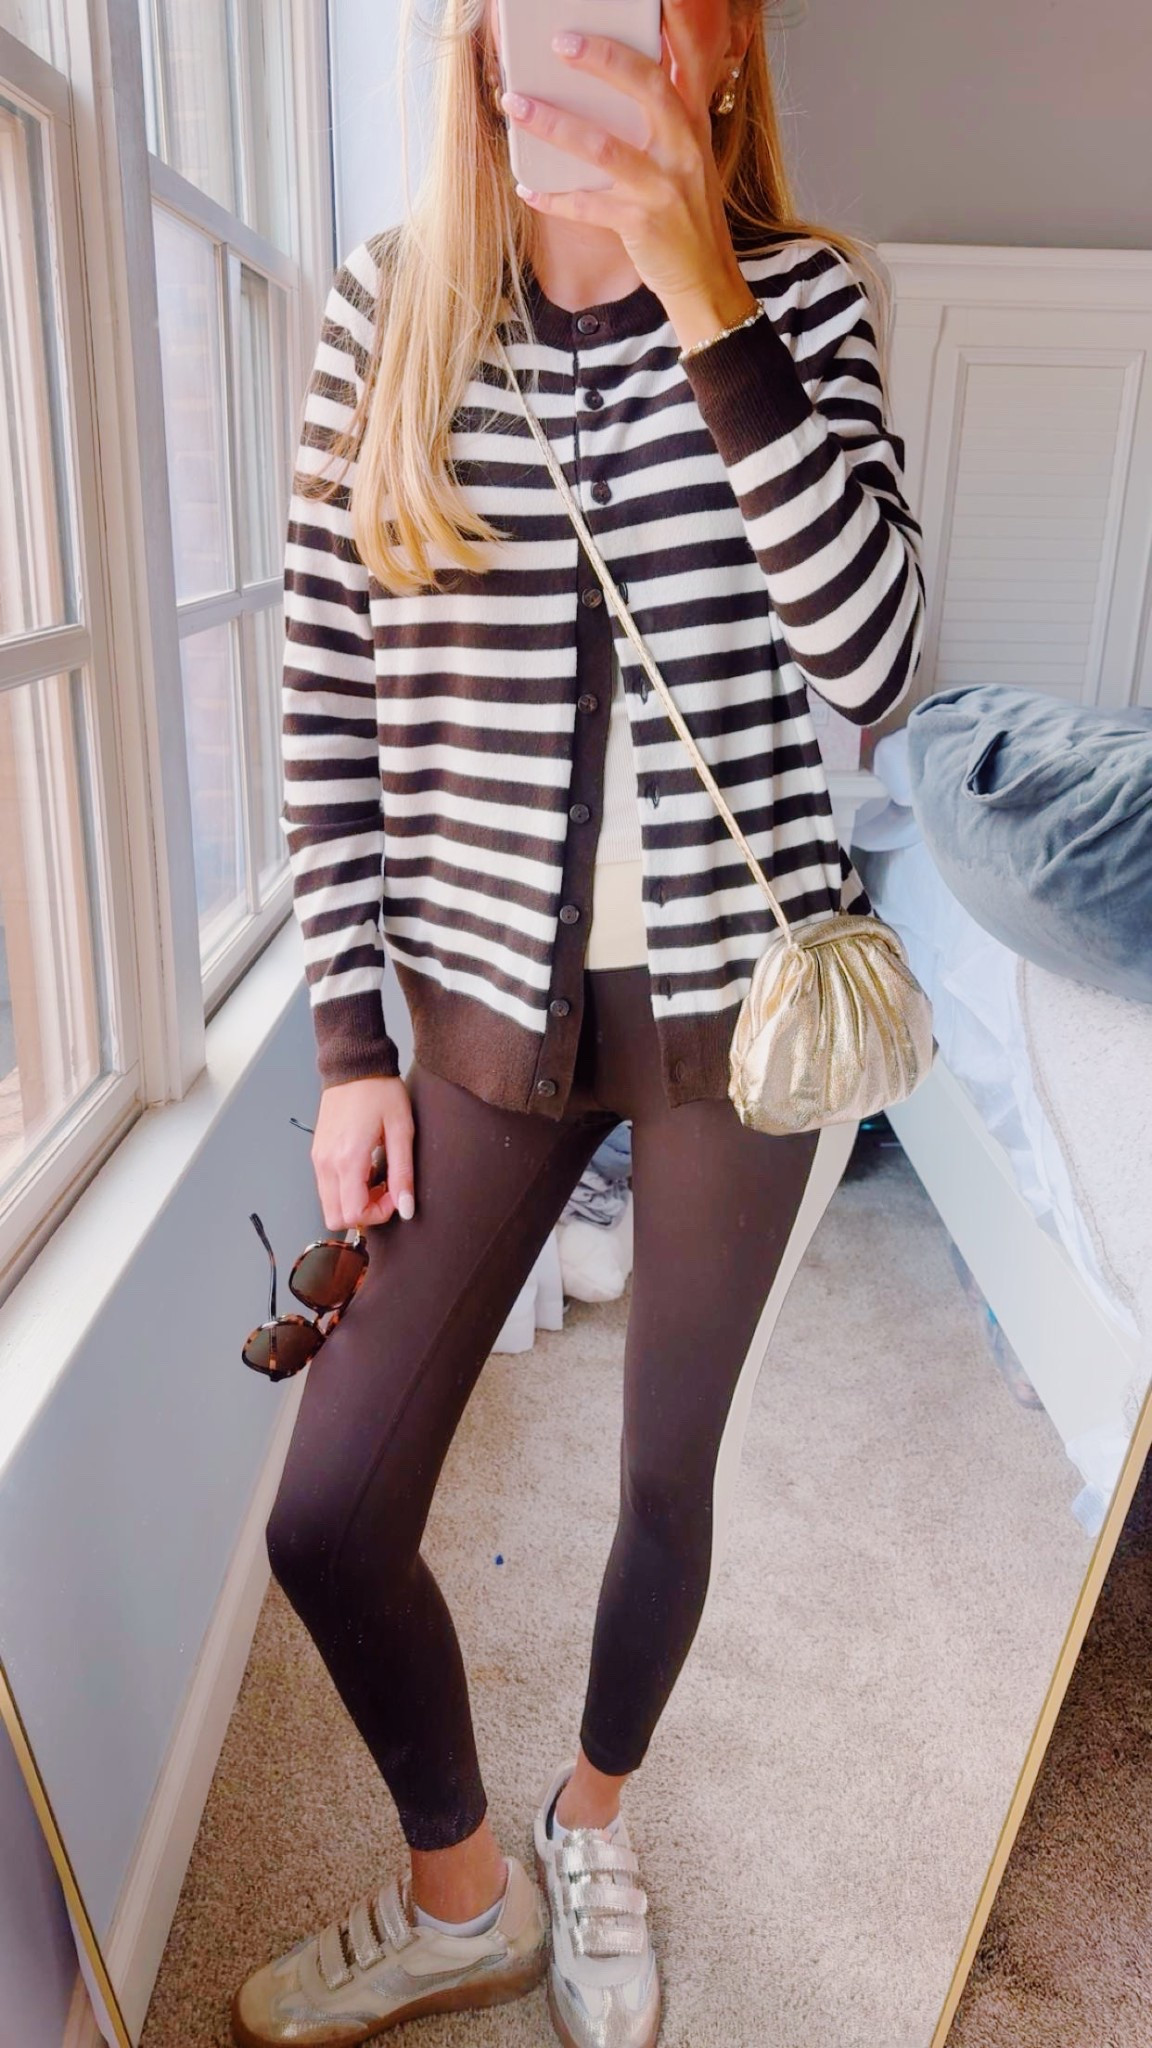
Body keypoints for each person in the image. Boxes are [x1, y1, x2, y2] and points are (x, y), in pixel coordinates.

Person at [230, 2, 926, 2043]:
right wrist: (349, 1044)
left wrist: (714, 305)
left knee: (663, 1479)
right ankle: (466, 1896)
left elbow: (878, 662)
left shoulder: (809, 301)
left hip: (739, 1015)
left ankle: (589, 1818)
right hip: (473, 1012)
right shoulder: (390, 314)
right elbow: (326, 700)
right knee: (329, 1512)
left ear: (721, 54)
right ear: (481, 46)